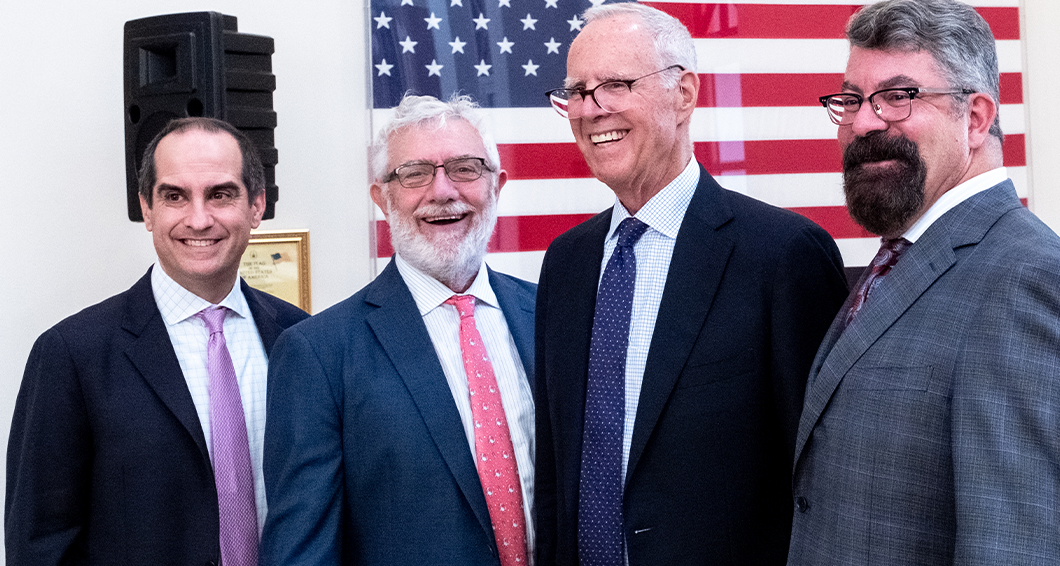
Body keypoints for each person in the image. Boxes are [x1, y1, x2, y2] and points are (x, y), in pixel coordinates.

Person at [534, 4, 850, 565]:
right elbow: (559, 471)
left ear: (684, 94)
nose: (590, 109)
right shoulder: (566, 262)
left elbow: (824, 477)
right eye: (577, 92)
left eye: (615, 85)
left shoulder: (781, 255)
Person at [789, 1, 1060, 564]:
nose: (865, 122)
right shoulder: (904, 255)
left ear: (974, 118)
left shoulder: (1027, 282)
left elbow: (1019, 544)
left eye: (899, 96)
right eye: (852, 99)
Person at [6, 117, 309, 566]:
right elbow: (40, 544)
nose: (199, 219)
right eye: (174, 196)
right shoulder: (72, 354)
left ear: (256, 206)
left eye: (221, 194)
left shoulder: (300, 337)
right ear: (147, 209)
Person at [260, 94, 537, 566]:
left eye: (466, 169)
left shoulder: (548, 315)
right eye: (414, 174)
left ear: (497, 185)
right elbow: (302, 551)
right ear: (382, 198)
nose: (443, 191)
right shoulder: (319, 354)